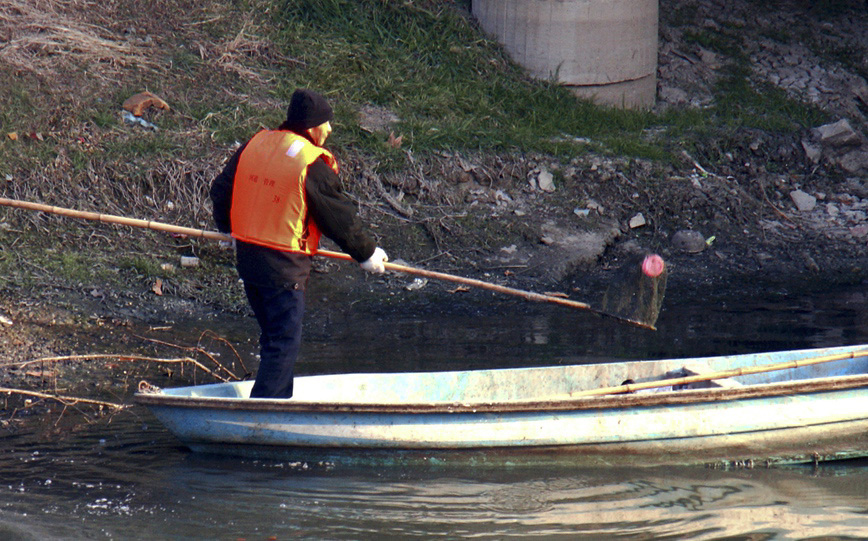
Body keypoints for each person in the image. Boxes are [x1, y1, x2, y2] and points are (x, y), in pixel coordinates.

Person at [210, 89, 389, 399]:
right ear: (311, 126)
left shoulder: (255, 145)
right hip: (283, 265)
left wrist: (227, 228)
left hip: (249, 259)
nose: (330, 130)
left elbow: (222, 189)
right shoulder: (311, 163)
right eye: (326, 123)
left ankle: (279, 403)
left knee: (273, 338)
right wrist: (367, 253)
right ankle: (263, 414)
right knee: (283, 342)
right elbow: (338, 216)